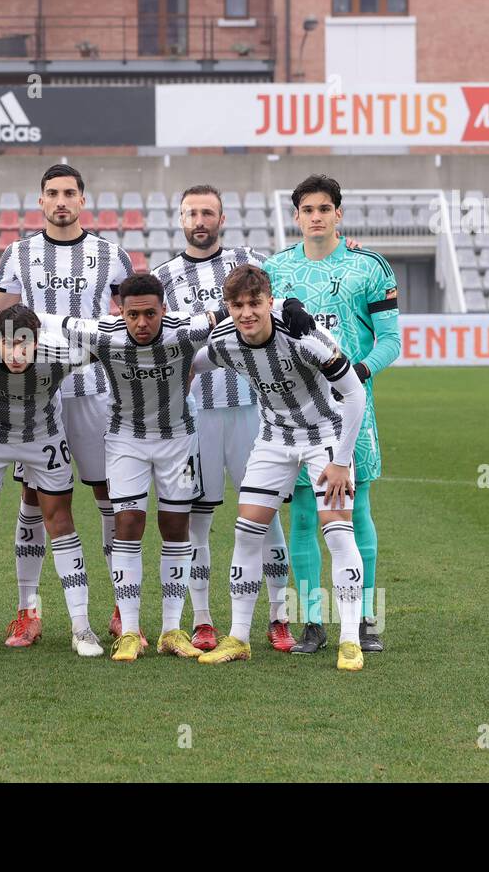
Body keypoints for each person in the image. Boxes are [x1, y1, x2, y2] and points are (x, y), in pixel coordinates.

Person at [0, 164, 133, 647]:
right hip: (36, 394)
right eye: (52, 193)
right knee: (33, 499)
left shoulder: (111, 256)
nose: (61, 201)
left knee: (106, 498)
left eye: (69, 193)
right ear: (41, 201)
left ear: (82, 200)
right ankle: (27, 611)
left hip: (94, 390)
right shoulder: (19, 253)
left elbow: (129, 321)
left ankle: (122, 608)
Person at [38, 273, 224, 663]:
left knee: (176, 526)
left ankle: (172, 630)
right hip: (125, 442)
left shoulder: (187, 330)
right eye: (133, 314)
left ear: (164, 310)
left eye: (151, 314)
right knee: (128, 523)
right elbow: (48, 319)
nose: (142, 323)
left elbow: (235, 311)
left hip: (180, 443)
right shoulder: (103, 333)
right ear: (119, 311)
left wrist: (285, 310)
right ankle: (130, 629)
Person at [191, 265, 369, 670]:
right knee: (247, 531)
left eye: (254, 303)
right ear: (228, 308)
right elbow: (191, 365)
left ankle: (350, 639)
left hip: (325, 437)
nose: (246, 313)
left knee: (338, 533)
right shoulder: (225, 343)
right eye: (237, 305)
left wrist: (341, 461)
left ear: (270, 302)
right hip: (273, 440)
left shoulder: (306, 339)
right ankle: (238, 637)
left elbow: (354, 395)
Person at [152, 184, 298, 652]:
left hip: (254, 409)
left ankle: (278, 616)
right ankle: (203, 620)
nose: (200, 220)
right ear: (180, 219)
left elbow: (291, 279)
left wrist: (347, 242)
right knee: (198, 519)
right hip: (195, 414)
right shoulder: (163, 276)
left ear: (222, 218)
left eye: (208, 212)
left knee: (266, 515)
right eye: (191, 212)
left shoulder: (251, 260)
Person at [264, 174, 400, 654]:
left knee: (354, 510)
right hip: (297, 412)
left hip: (350, 409)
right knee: (303, 516)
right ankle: (312, 623)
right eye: (308, 210)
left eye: (325, 209)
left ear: (338, 214)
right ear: (296, 216)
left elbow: (391, 341)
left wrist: (356, 374)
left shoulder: (370, 267)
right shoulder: (275, 271)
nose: (316, 217)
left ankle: (362, 619)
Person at [0, 304, 103, 657]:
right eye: (7, 344)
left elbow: (107, 341)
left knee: (60, 522)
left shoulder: (60, 352)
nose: (15, 353)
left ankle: (81, 627)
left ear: (38, 340)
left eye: (24, 344)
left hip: (42, 438)